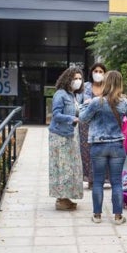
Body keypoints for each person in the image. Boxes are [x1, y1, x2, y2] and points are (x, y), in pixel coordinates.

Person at [79, 71, 127, 224]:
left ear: (105, 83)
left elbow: (83, 119)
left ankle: (97, 215)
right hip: (117, 145)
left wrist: (85, 103)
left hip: (98, 145)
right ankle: (118, 216)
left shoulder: (97, 102)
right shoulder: (123, 102)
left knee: (97, 181)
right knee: (116, 182)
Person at [48, 67, 85, 211]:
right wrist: (72, 118)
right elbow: (56, 115)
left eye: (79, 78)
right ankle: (60, 199)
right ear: (67, 79)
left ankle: (66, 197)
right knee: (61, 167)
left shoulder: (73, 95)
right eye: (74, 78)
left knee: (70, 167)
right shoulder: (60, 94)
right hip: (59, 136)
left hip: (70, 134)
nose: (77, 81)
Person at [80, 63, 107, 189]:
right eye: (95, 70)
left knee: (101, 151)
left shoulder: (108, 87)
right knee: (88, 152)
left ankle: (101, 178)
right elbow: (80, 103)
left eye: (101, 71)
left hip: (103, 124)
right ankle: (91, 180)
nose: (98, 73)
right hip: (86, 126)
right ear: (91, 73)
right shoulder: (86, 86)